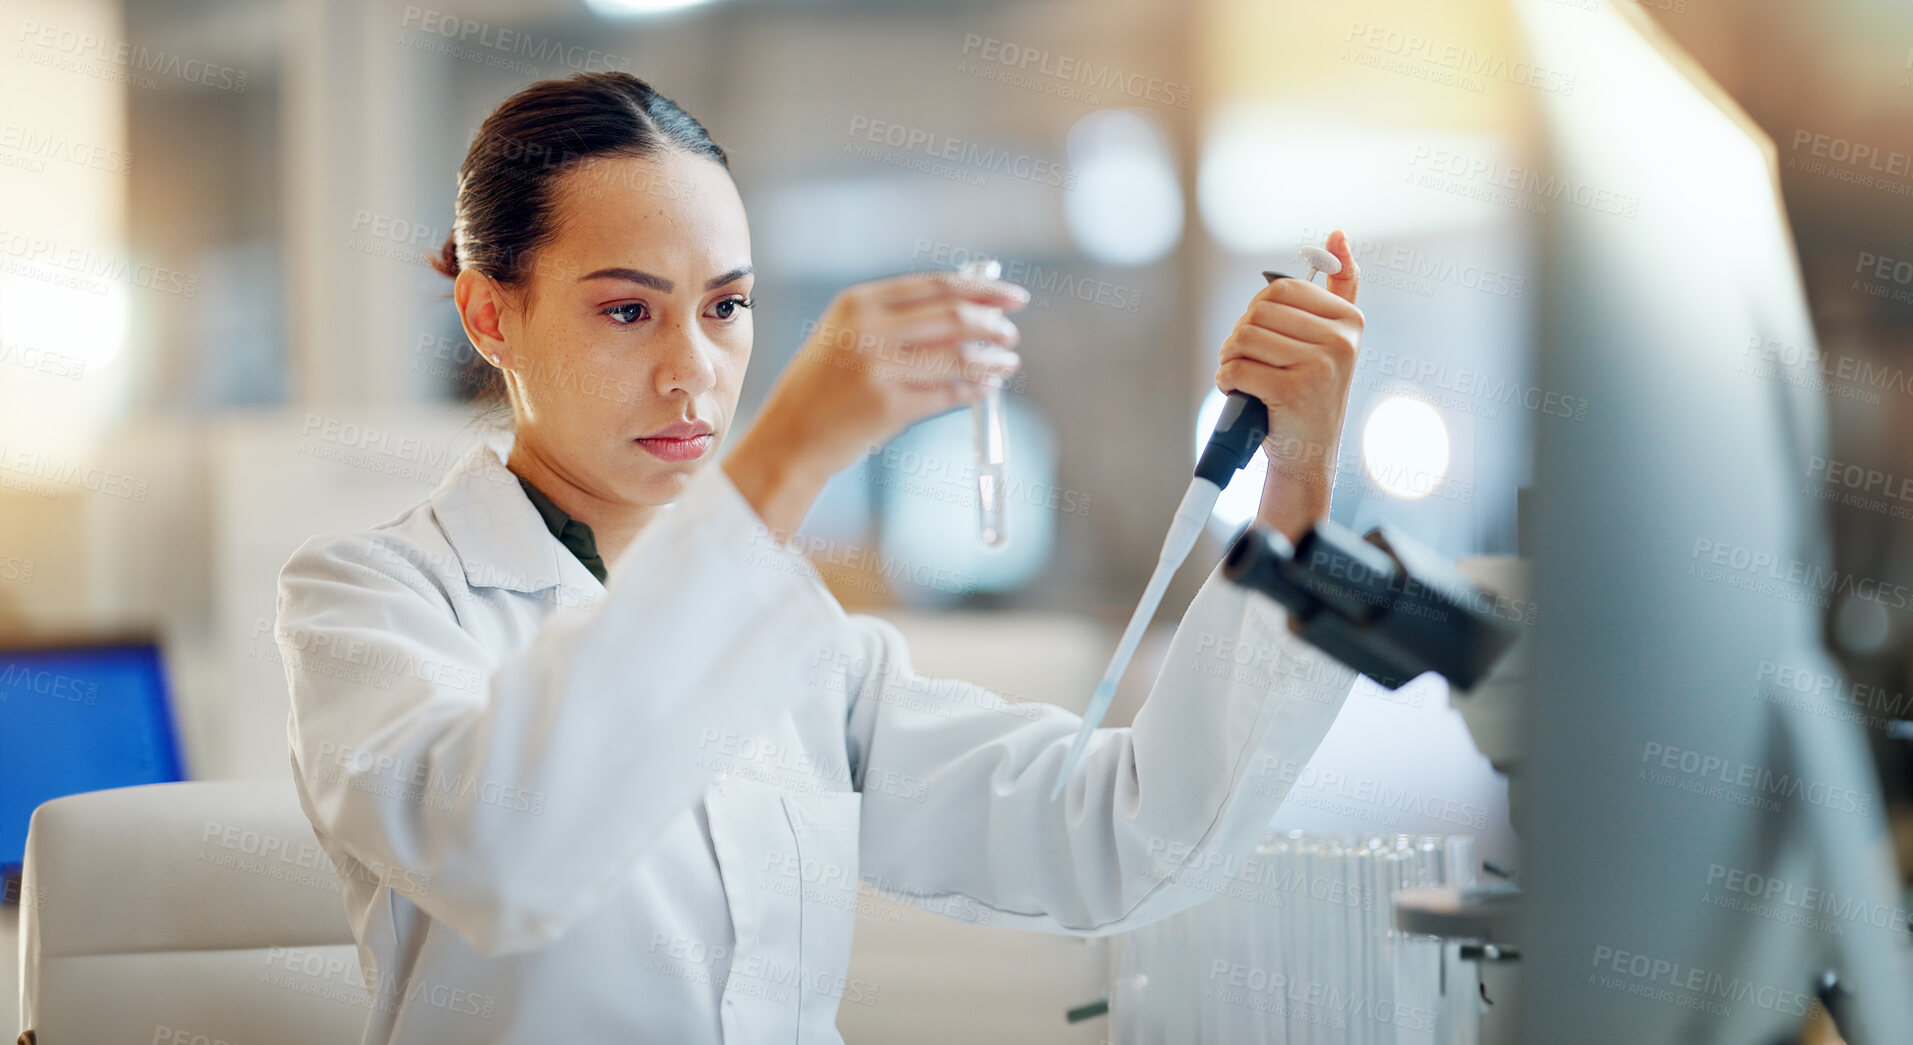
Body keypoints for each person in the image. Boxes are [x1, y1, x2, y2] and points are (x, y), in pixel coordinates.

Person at [274, 71, 1366, 1044]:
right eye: (624, 309)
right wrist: (789, 453)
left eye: (726, 306)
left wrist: (1296, 476)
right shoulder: (368, 599)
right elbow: (501, 855)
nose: (691, 370)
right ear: (488, 315)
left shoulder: (792, 639)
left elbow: (1123, 834)